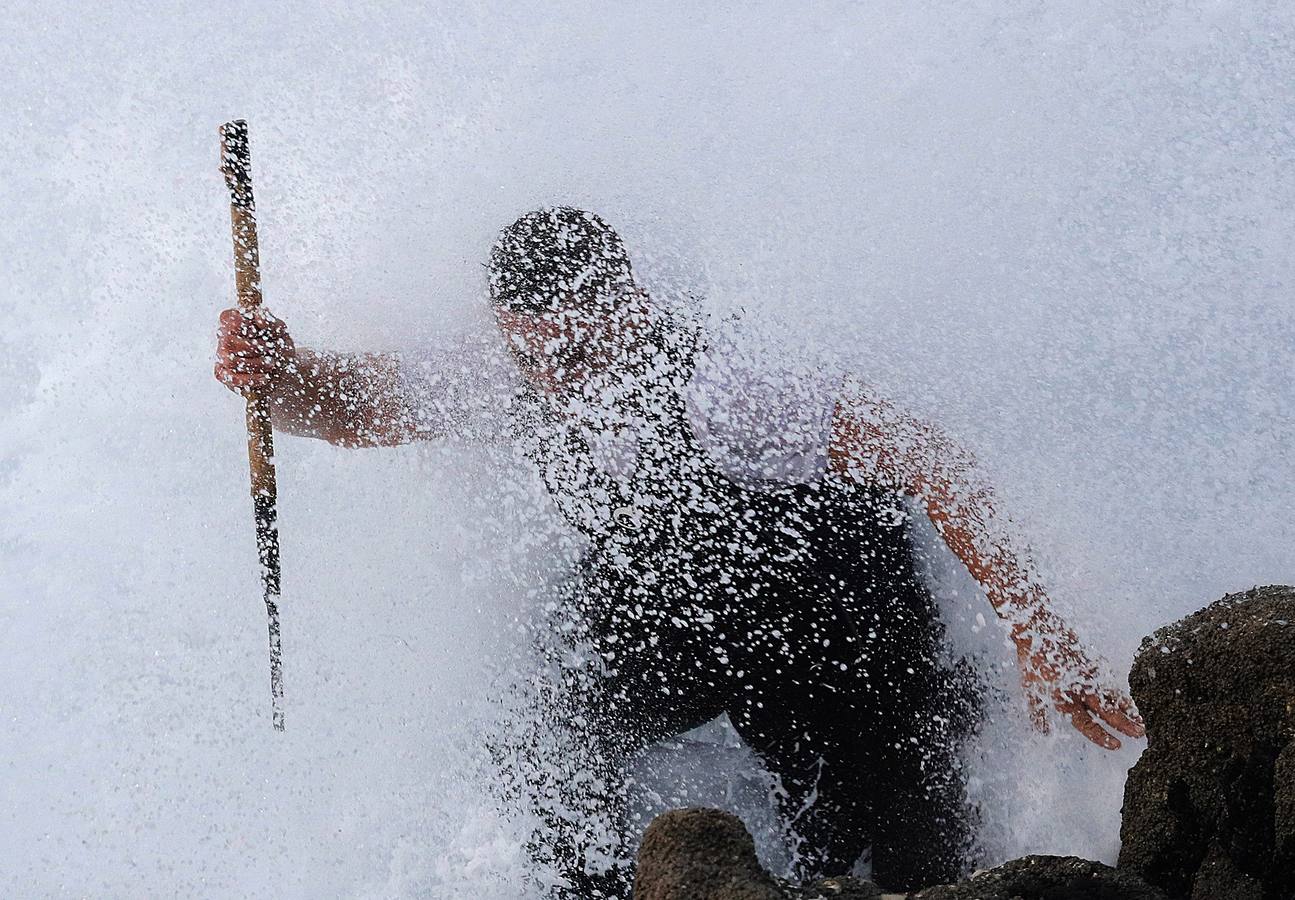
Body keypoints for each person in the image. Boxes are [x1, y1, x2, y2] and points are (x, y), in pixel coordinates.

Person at [214, 207, 1143, 896]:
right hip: (675, 612)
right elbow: (349, 410)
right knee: (538, 739)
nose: (555, 379)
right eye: (532, 358)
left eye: (575, 353)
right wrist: (274, 376)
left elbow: (930, 460)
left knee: (891, 854)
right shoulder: (508, 375)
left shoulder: (730, 389)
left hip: (841, 621)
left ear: (628, 304)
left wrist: (1037, 628)